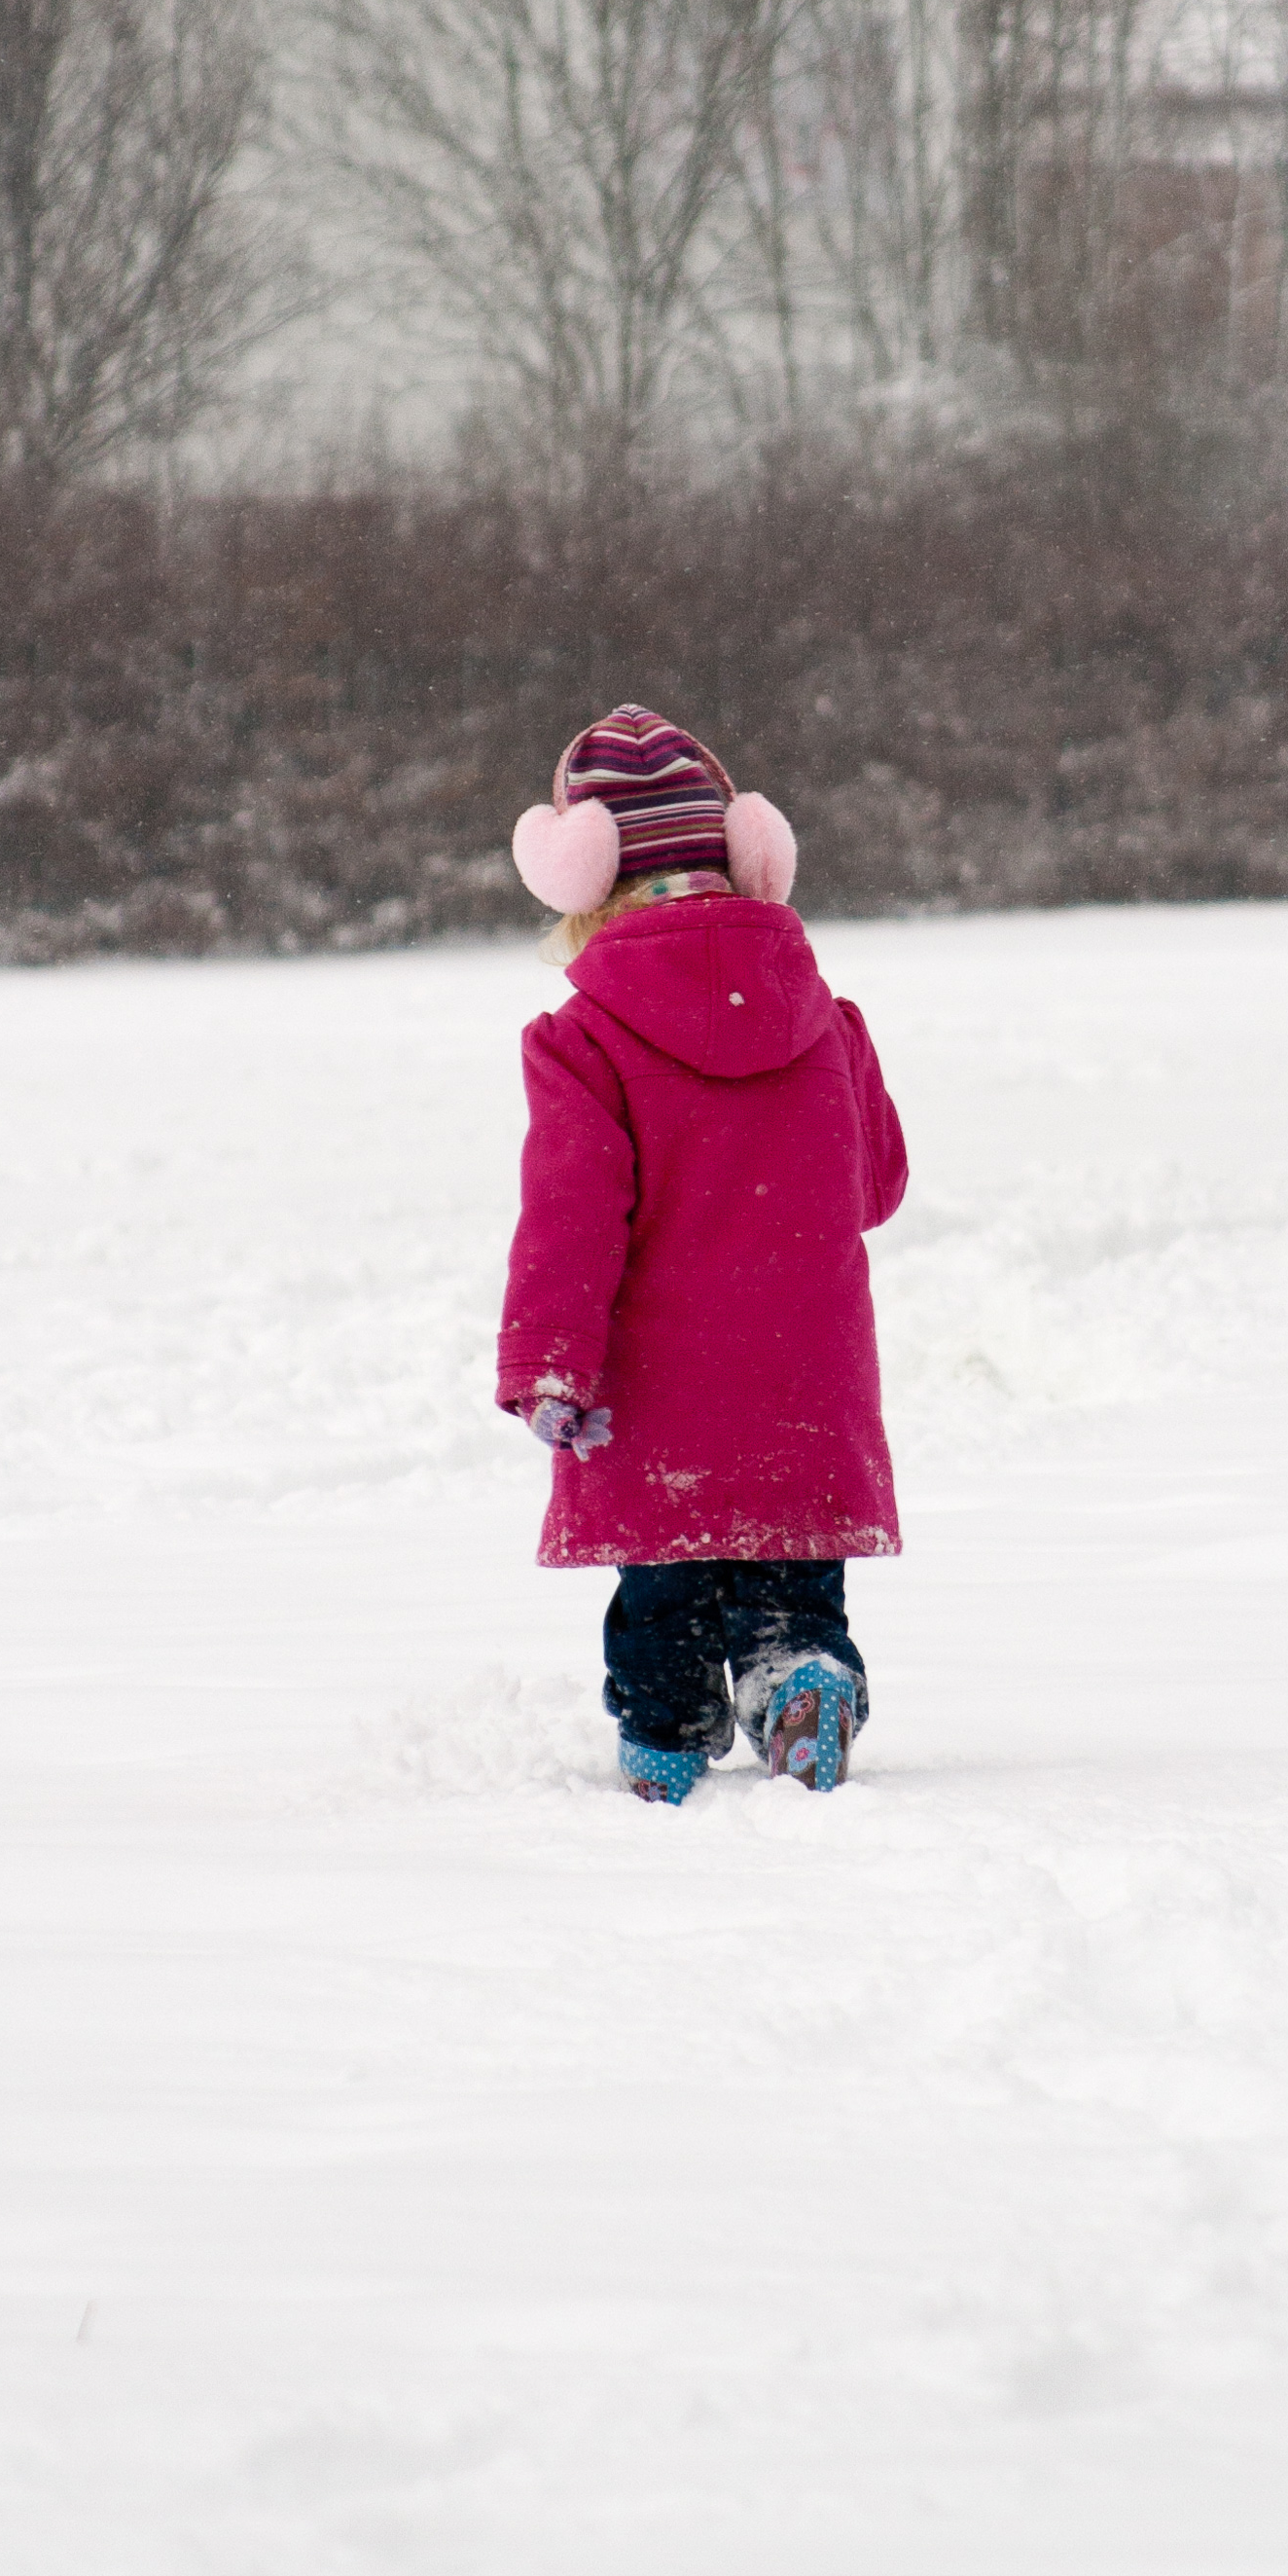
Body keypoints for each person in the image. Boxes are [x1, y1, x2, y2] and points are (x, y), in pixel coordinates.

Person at [495, 704, 908, 1801]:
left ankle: (667, 1741)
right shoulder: (825, 1020)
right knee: (790, 1572)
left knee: (665, 1588)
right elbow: (876, 1188)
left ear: (580, 880)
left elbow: (570, 1220)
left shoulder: (584, 1040)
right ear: (747, 854)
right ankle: (801, 1678)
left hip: (659, 1386)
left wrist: (548, 1365)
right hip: (804, 1375)